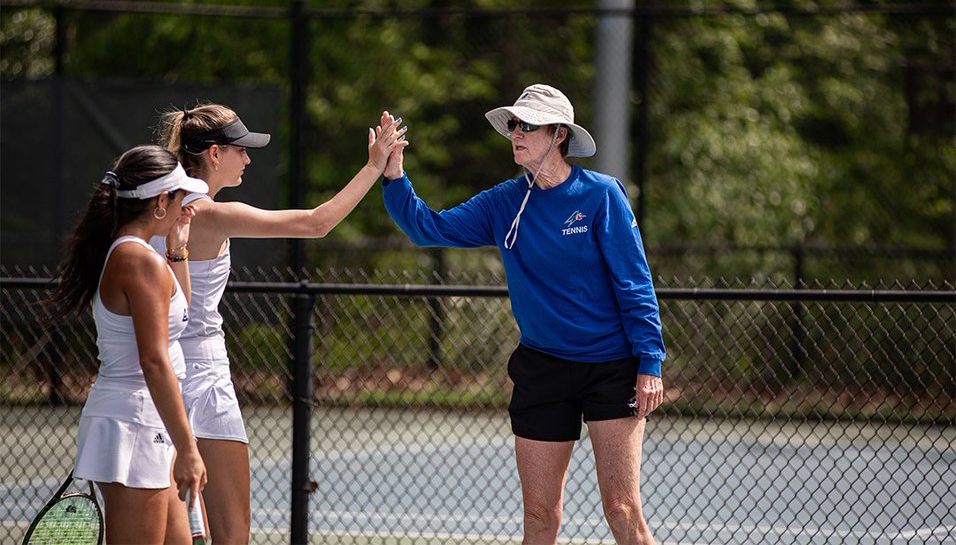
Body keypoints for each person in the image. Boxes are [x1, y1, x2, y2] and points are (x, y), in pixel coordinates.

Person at [380, 84, 664, 545]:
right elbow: (427, 227)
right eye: (513, 124)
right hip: (542, 369)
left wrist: (649, 361)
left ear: (559, 135)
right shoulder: (502, 202)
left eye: (528, 125)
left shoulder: (601, 195)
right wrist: (394, 175)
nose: (516, 132)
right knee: (539, 514)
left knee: (621, 509)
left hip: (612, 368)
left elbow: (634, 282)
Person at [155, 103, 405, 545]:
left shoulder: (157, 210)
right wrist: (373, 166)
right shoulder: (209, 214)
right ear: (214, 154)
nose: (247, 159)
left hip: (159, 377)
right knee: (231, 535)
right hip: (201, 377)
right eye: (240, 150)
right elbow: (316, 222)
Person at [46, 146, 209, 545]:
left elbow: (179, 319)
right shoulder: (138, 260)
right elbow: (154, 360)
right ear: (160, 201)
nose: (185, 206)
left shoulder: (144, 256)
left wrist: (177, 248)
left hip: (148, 420)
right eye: (180, 197)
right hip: (134, 422)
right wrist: (188, 447)